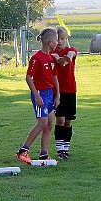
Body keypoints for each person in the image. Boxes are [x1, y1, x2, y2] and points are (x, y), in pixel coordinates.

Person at [15, 27, 60, 164]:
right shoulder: (36, 58)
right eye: (56, 40)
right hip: (40, 93)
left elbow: (54, 77)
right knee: (42, 123)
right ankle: (23, 150)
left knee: (49, 124)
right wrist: (36, 96)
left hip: (49, 94)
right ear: (50, 42)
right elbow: (28, 77)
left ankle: (44, 155)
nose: (58, 43)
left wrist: (57, 95)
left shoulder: (51, 58)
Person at [50, 26, 77, 159]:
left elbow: (72, 54)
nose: (60, 41)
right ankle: (60, 149)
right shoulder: (51, 53)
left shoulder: (70, 50)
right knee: (60, 119)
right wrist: (56, 57)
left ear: (66, 39)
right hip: (57, 92)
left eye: (62, 38)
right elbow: (53, 57)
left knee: (68, 121)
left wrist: (68, 58)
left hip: (71, 90)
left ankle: (66, 148)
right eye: (57, 39)